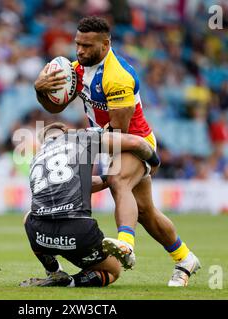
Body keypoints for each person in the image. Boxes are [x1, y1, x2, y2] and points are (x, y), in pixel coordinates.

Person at [34, 16, 200, 287]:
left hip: (136, 142)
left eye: (87, 46)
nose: (79, 51)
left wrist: (76, 139)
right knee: (146, 212)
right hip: (107, 143)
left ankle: (126, 245)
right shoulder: (76, 70)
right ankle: (185, 259)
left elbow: (118, 132)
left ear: (106, 43)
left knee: (117, 178)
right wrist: (40, 91)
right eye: (77, 44)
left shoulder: (118, 77)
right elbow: (55, 108)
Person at [20, 122, 160, 287]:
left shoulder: (37, 158)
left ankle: (54, 272)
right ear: (67, 131)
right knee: (113, 271)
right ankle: (71, 282)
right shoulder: (80, 137)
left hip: (41, 234)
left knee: (28, 217)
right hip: (77, 232)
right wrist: (154, 162)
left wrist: (108, 179)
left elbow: (82, 184)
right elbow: (136, 143)